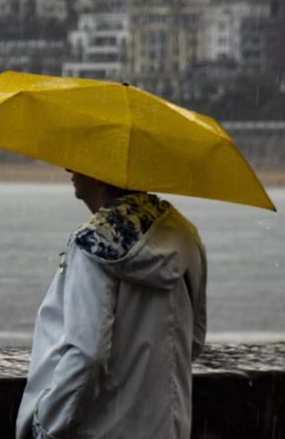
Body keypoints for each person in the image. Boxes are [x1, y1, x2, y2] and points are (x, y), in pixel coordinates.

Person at [16, 170, 208, 439]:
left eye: (80, 159)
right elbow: (193, 340)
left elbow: (87, 354)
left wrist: (46, 426)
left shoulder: (91, 245)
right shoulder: (185, 236)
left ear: (101, 171)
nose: (69, 169)